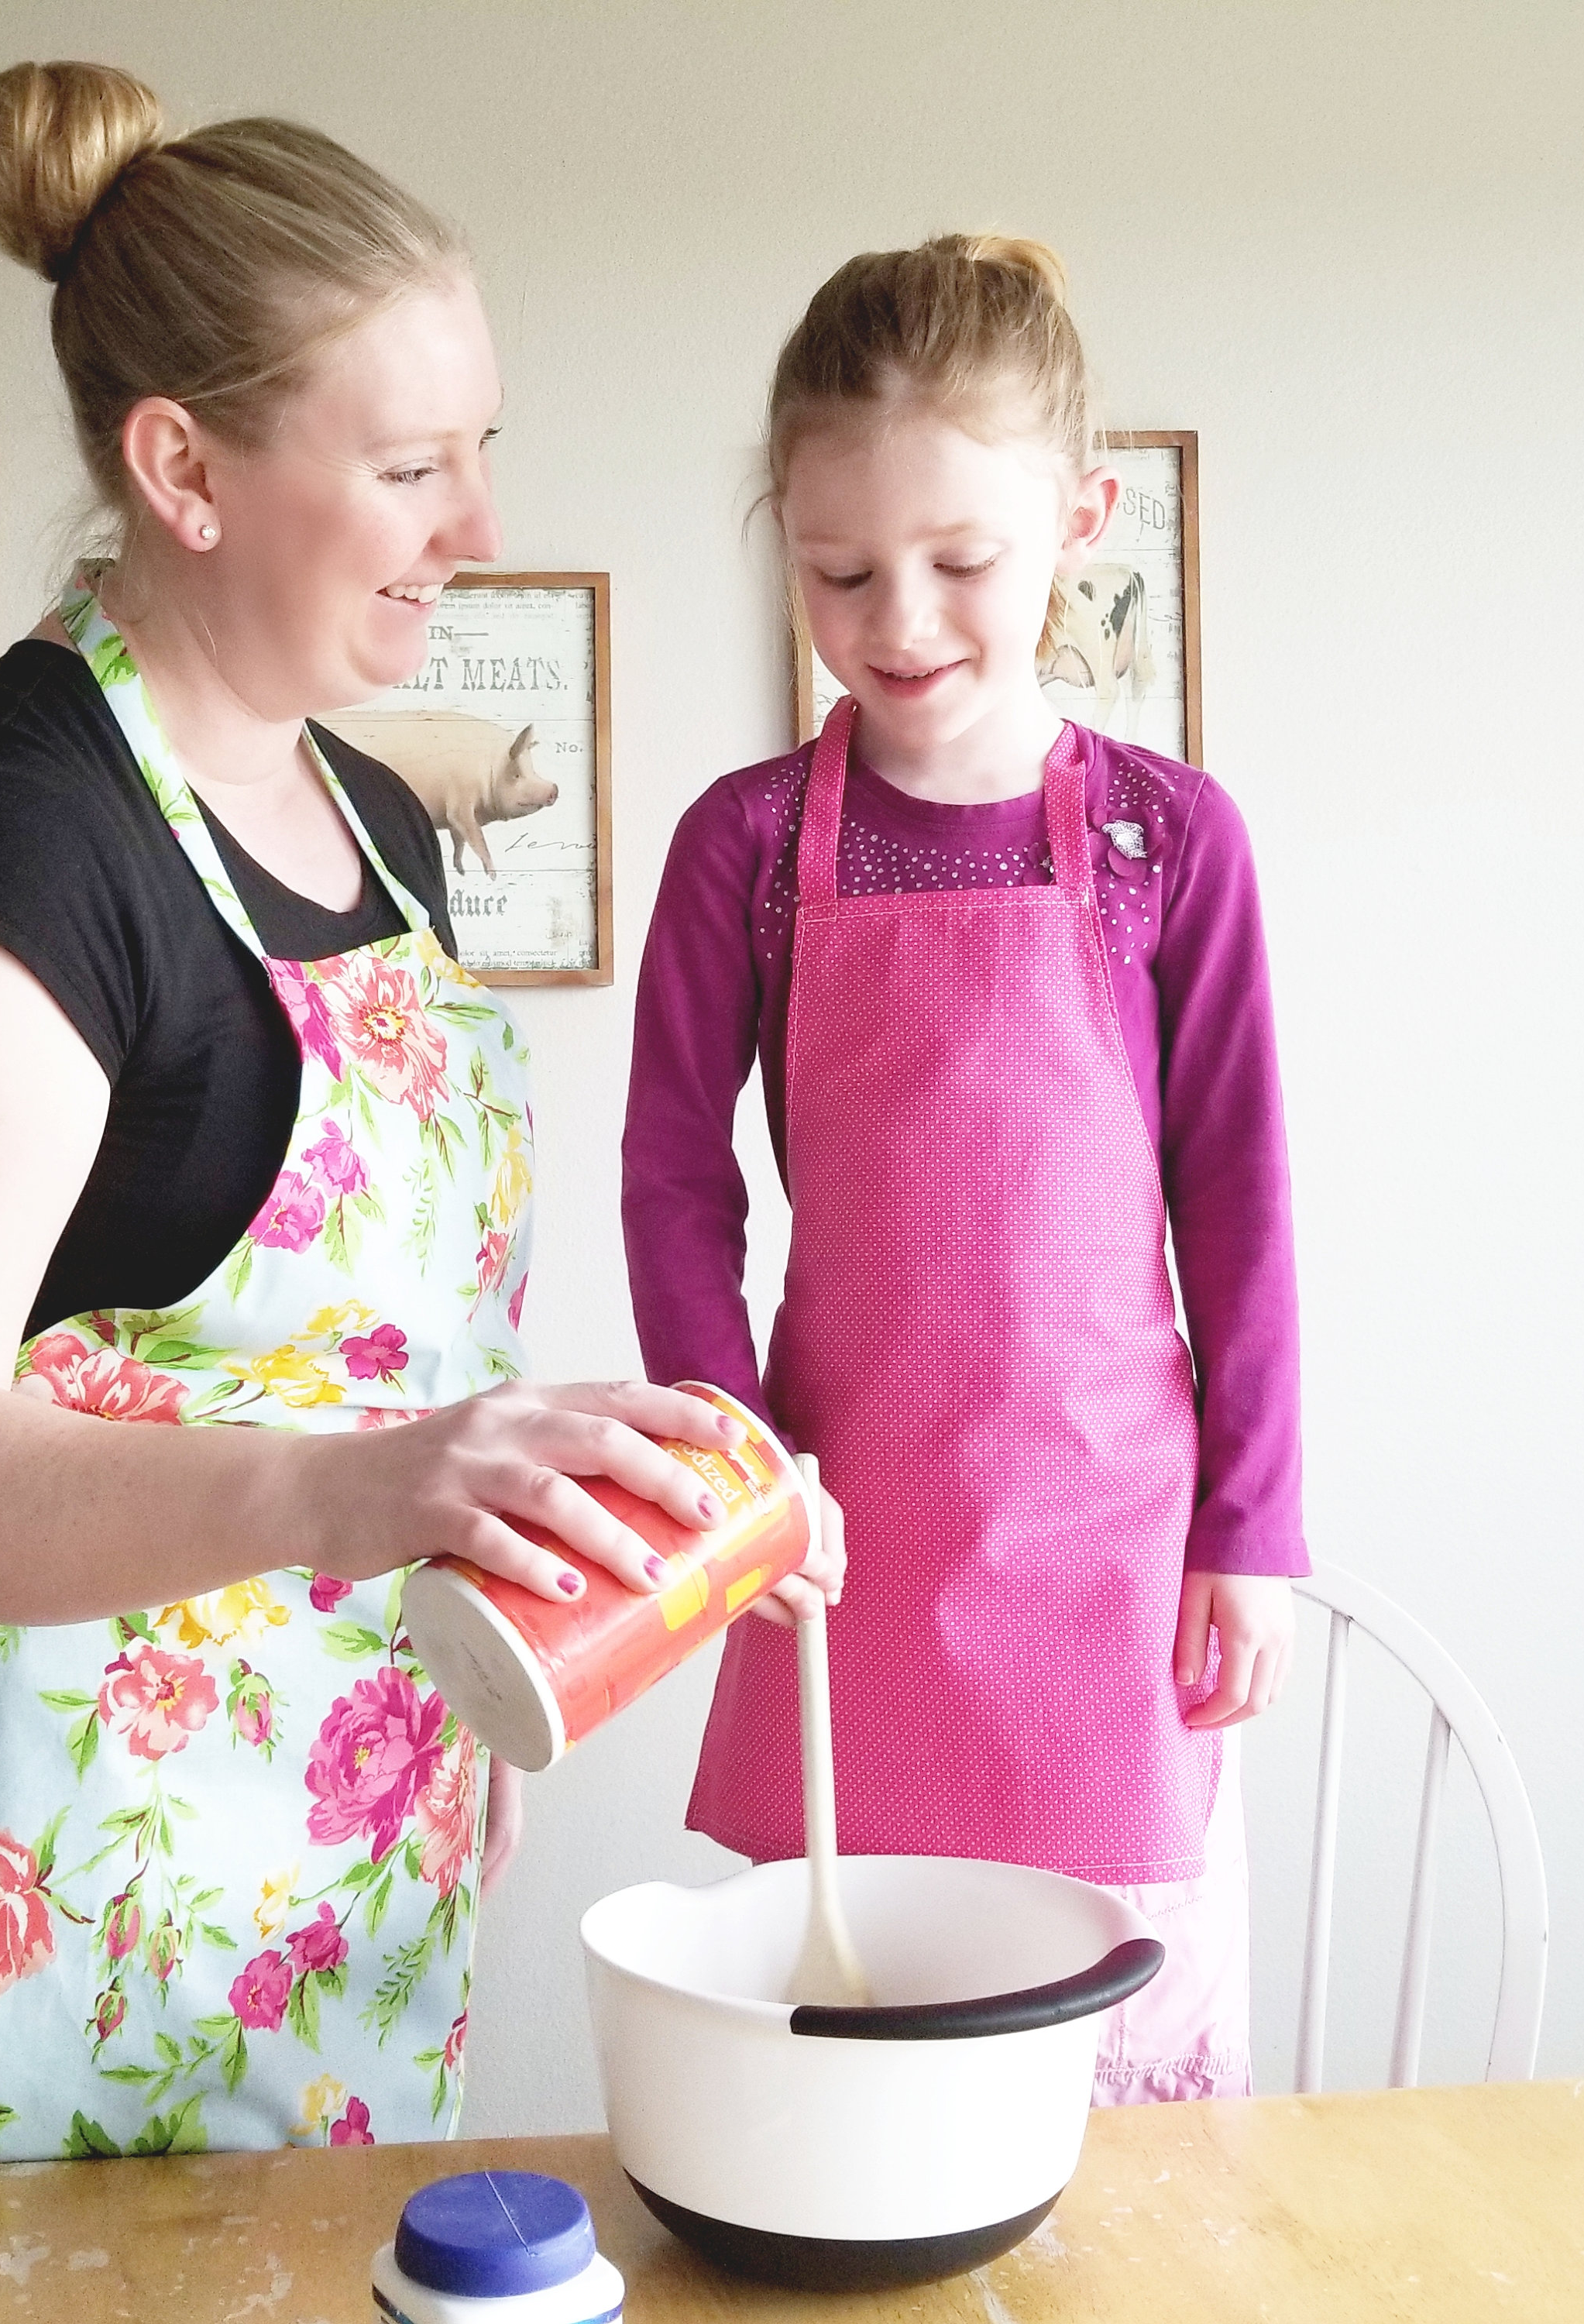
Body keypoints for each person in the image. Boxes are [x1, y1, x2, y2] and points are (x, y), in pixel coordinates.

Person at [0, 60, 837, 2171]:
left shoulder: (366, 817)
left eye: (480, 454)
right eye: (414, 465)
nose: (482, 530)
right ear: (185, 469)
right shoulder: (4, 851)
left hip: (340, 1878)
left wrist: (507, 1582)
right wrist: (369, 1498)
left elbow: (381, 1356)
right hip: (44, 1937)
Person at [623, 235, 1306, 2103]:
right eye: (839, 572)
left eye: (959, 564)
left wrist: (1250, 1525)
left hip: (1108, 1554)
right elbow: (675, 1176)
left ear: (1080, 518)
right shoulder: (743, 847)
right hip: (835, 1547)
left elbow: (1233, 1200)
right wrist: (727, 1465)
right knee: (856, 2078)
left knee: (1123, 2093)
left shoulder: (1173, 840)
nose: (898, 619)